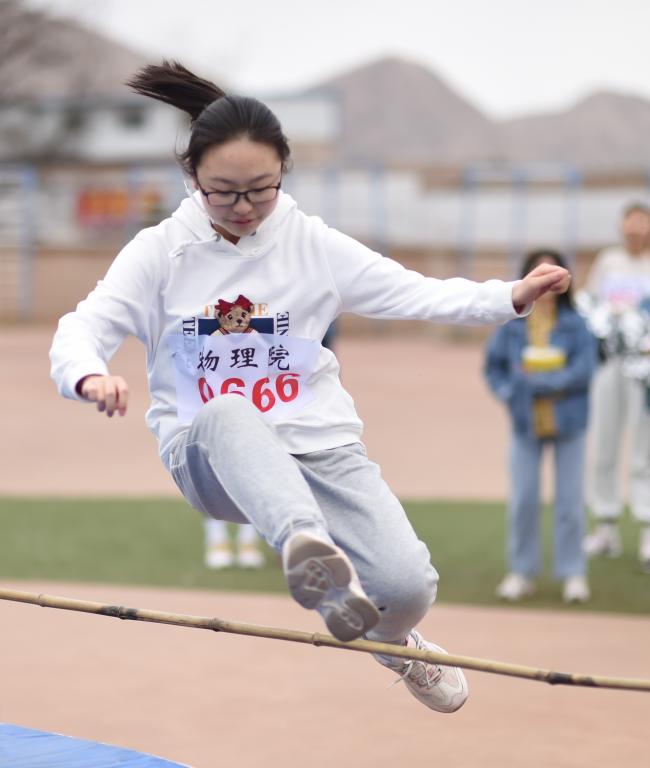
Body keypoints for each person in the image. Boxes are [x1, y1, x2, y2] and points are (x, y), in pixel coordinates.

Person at [49, 61, 571, 713]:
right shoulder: (159, 251)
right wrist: (87, 373)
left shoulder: (311, 243)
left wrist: (509, 296)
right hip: (211, 455)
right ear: (192, 177)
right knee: (228, 409)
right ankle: (307, 549)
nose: (243, 209)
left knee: (407, 587)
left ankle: (393, 641)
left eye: (260, 191)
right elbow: (84, 325)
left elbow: (415, 291)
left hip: (318, 447)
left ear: (283, 173)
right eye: (223, 193)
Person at [485, 250, 597, 603]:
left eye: (554, 276)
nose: (547, 285)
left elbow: (584, 369)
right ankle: (521, 572)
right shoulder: (512, 325)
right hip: (525, 422)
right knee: (523, 499)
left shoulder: (577, 324)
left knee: (570, 502)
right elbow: (494, 368)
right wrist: (510, 393)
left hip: (570, 421)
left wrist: (542, 382)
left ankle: (573, 573)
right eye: (539, 275)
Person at [581, 203, 650, 569]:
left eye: (642, 225)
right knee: (604, 443)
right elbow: (591, 304)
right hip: (608, 365)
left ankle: (647, 527)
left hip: (645, 369)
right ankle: (606, 526)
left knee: (643, 449)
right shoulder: (608, 261)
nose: (636, 231)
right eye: (630, 225)